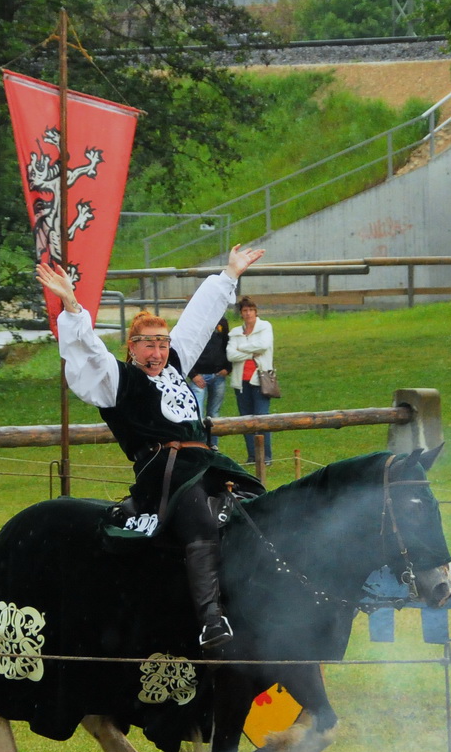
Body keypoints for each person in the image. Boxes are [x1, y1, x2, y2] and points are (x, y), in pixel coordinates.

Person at [36, 243, 267, 649]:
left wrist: (230, 274)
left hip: (205, 459)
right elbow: (89, 352)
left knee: (258, 502)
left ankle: (259, 596)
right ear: (132, 347)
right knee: (198, 519)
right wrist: (72, 306)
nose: (158, 352)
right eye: (148, 344)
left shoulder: (175, 361)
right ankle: (211, 620)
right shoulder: (117, 381)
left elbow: (197, 320)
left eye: (162, 343)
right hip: (163, 470)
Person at [229, 296, 275, 465]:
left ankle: (266, 456)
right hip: (241, 381)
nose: (248, 313)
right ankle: (252, 456)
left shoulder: (265, 327)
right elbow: (230, 354)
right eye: (245, 310)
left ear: (256, 311)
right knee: (245, 420)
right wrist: (249, 353)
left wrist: (241, 348)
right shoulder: (235, 332)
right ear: (241, 313)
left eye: (251, 310)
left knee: (262, 419)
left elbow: (263, 345)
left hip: (260, 379)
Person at [191, 314, 232, 449]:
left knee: (214, 414)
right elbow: (187, 349)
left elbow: (227, 344)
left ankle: (213, 445)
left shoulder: (222, 322)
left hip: (218, 375)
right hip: (199, 376)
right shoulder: (195, 322)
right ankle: (199, 445)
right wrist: (193, 375)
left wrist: (228, 367)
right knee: (198, 414)